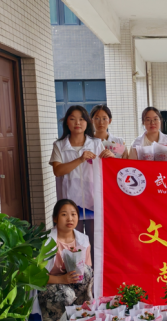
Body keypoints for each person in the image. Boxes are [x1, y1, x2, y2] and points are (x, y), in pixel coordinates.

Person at [49, 105, 114, 263]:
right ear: (66, 122)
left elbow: (106, 169)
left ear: (87, 122)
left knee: (95, 242)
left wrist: (111, 157)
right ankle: (74, 274)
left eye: (81, 119)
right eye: (73, 119)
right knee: (72, 243)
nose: (77, 123)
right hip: (70, 206)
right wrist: (80, 159)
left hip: (93, 202)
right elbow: (58, 171)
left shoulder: (96, 143)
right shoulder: (59, 145)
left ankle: (94, 275)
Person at [38, 199, 94, 321]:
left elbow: (87, 271)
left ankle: (79, 310)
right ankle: (51, 314)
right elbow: (37, 277)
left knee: (86, 271)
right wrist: (62, 279)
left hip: (71, 284)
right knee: (66, 295)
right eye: (64, 214)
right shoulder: (45, 241)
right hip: (51, 284)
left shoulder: (83, 240)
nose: (70, 219)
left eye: (73, 214)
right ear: (55, 218)